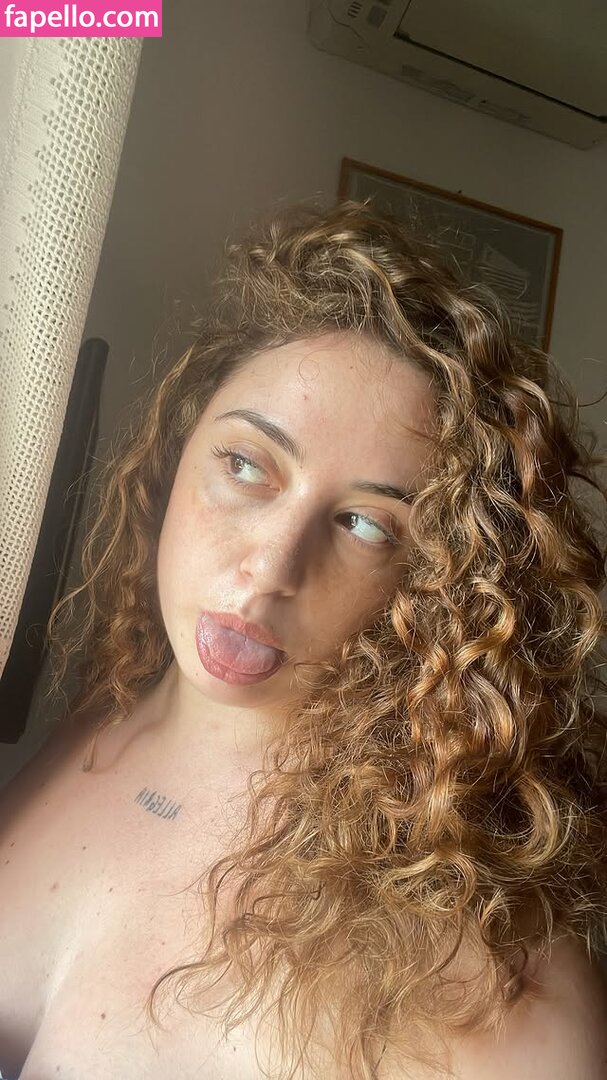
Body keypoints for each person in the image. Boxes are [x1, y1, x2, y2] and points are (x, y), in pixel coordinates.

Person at [1, 198, 607, 1080]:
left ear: (437, 583)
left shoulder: (483, 969)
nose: (270, 568)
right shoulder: (94, 719)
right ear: (174, 456)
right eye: (246, 465)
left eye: (365, 524)